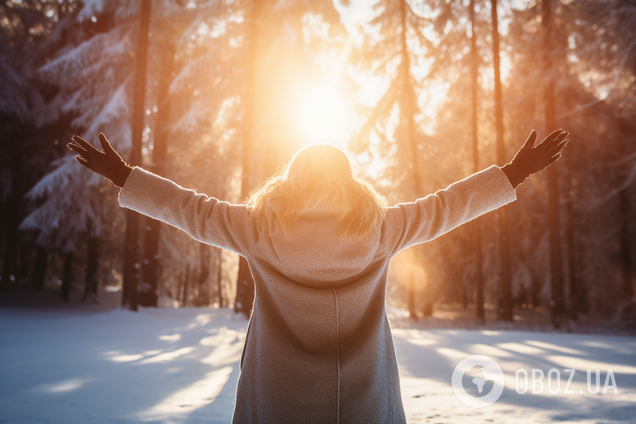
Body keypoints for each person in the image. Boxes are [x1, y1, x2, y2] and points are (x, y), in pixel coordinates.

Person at [67, 129, 568, 423]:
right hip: (363, 403)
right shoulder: (381, 228)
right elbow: (447, 207)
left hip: (279, 403)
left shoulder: (259, 229)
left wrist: (124, 175)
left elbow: (191, 210)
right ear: (349, 182)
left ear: (292, 180)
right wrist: (514, 171)